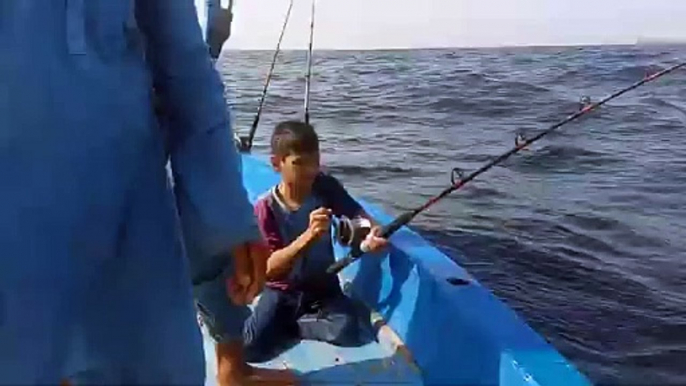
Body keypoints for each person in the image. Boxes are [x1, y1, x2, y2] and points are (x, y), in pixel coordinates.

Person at [0, 1, 284, 384]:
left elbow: (186, 72)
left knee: (156, 366)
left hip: (131, 219)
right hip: (15, 229)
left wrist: (227, 213)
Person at [242, 121, 389, 363]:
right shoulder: (265, 208)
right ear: (277, 163)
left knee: (348, 330)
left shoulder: (324, 187)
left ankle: (295, 326)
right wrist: (308, 236)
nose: (310, 170)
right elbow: (269, 269)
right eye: (299, 163)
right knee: (248, 347)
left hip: (324, 287)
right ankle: (292, 321)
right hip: (283, 293)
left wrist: (371, 233)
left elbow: (358, 215)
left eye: (314, 161)